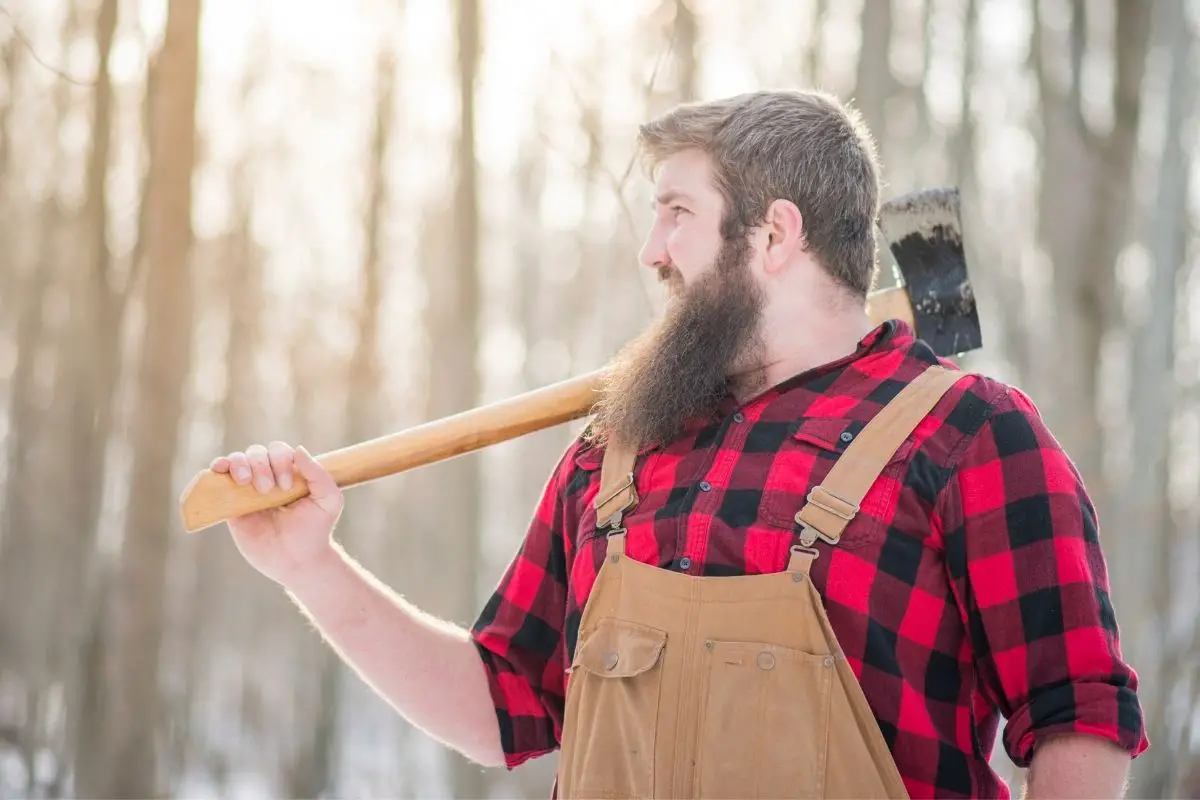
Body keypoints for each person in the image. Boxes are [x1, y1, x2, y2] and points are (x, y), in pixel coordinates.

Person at [212, 89, 1148, 798]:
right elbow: (500, 706)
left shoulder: (968, 435)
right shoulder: (616, 450)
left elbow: (1077, 717)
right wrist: (313, 569)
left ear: (775, 233)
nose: (649, 250)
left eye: (677, 213)